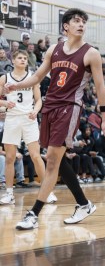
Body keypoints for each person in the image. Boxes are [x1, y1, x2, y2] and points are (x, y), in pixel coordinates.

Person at [6, 8, 105, 230]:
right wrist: (17, 85)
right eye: (76, 20)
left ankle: (33, 214)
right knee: (57, 159)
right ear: (65, 26)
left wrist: (104, 118)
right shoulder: (53, 50)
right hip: (50, 106)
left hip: (70, 108)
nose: (81, 24)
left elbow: (100, 86)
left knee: (52, 160)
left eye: (83, 21)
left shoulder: (91, 53)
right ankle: (83, 204)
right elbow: (37, 76)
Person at [0, 51, 58, 206]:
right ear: (13, 60)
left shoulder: (33, 78)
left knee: (36, 156)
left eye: (25, 58)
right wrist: (5, 104)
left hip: (28, 119)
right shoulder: (4, 78)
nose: (23, 60)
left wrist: (35, 110)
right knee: (10, 157)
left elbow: (38, 100)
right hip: (12, 118)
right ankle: (9, 194)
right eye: (20, 57)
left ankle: (47, 193)